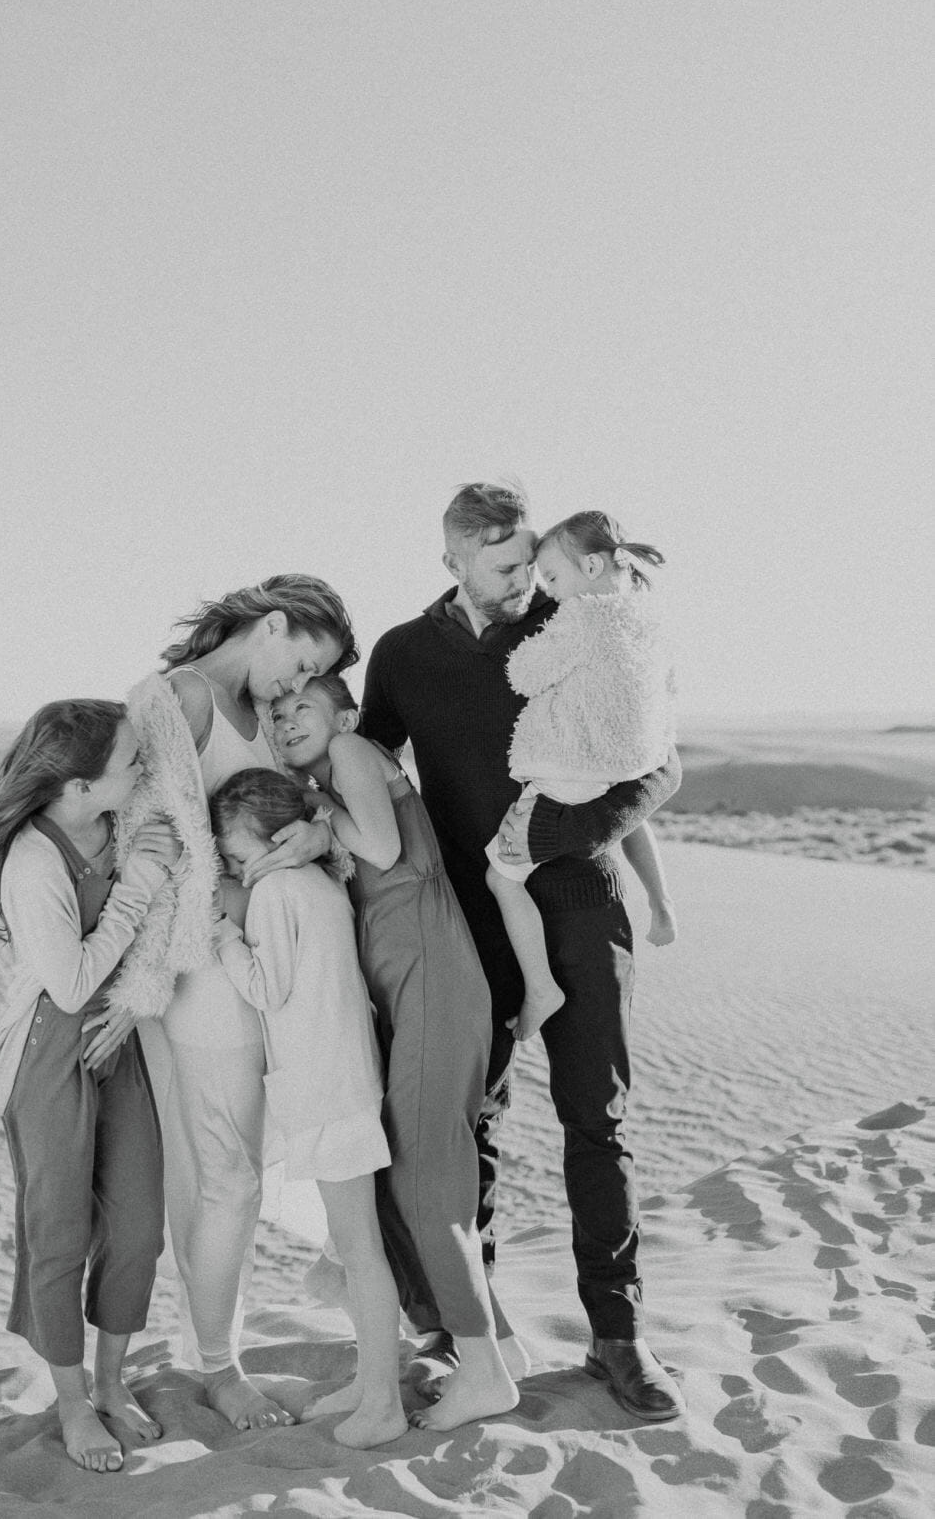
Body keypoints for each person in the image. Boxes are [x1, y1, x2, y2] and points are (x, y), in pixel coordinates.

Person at [360, 481, 686, 1423]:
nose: (520, 581)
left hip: (580, 895)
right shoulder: (404, 653)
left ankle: (618, 1335)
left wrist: (564, 836)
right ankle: (469, 1335)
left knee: (599, 1120)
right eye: (500, 564)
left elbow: (661, 761)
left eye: (527, 558)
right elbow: (368, 766)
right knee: (465, 1127)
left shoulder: (578, 625)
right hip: (466, 919)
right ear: (452, 560)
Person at [81, 575, 357, 1432]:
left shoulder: (260, 715)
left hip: (261, 976)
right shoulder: (182, 700)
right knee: (223, 1179)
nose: (294, 685)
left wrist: (316, 830)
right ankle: (219, 1369)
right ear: (271, 623)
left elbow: (284, 813)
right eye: (300, 658)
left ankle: (217, 1353)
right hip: (199, 977)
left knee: (228, 1174)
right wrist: (147, 980)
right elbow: (148, 845)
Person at [270, 674, 523, 1430]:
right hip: (403, 987)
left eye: (301, 707)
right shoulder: (331, 779)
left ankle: (484, 1376)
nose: (287, 721)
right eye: (276, 714)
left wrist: (319, 819)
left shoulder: (350, 752)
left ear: (343, 714)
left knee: (423, 1184)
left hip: (432, 978)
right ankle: (500, 1350)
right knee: (399, 1183)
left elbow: (378, 845)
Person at [0, 700, 178, 1473]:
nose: (141, 770)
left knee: (140, 1225)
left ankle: (114, 1382)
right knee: (57, 1235)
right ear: (81, 785)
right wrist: (140, 883)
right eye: (128, 762)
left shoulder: (119, 821)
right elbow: (73, 980)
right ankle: (73, 1401)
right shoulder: (32, 861)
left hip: (118, 1039)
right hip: (49, 1052)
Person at [208, 766, 407, 1449]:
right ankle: (368, 1379)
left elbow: (267, 988)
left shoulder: (273, 892)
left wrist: (224, 937)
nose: (234, 866)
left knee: (360, 1250)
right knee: (352, 1249)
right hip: (344, 1075)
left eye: (236, 853)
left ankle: (382, 1398)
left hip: (326, 1086)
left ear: (271, 836)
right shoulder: (321, 880)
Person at [485, 510, 678, 1041]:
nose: (546, 591)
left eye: (552, 578)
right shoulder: (648, 621)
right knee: (632, 819)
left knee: (501, 877)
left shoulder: (581, 619)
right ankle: (661, 903)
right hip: (623, 766)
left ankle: (540, 986)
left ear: (591, 565)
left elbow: (524, 674)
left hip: (565, 772)